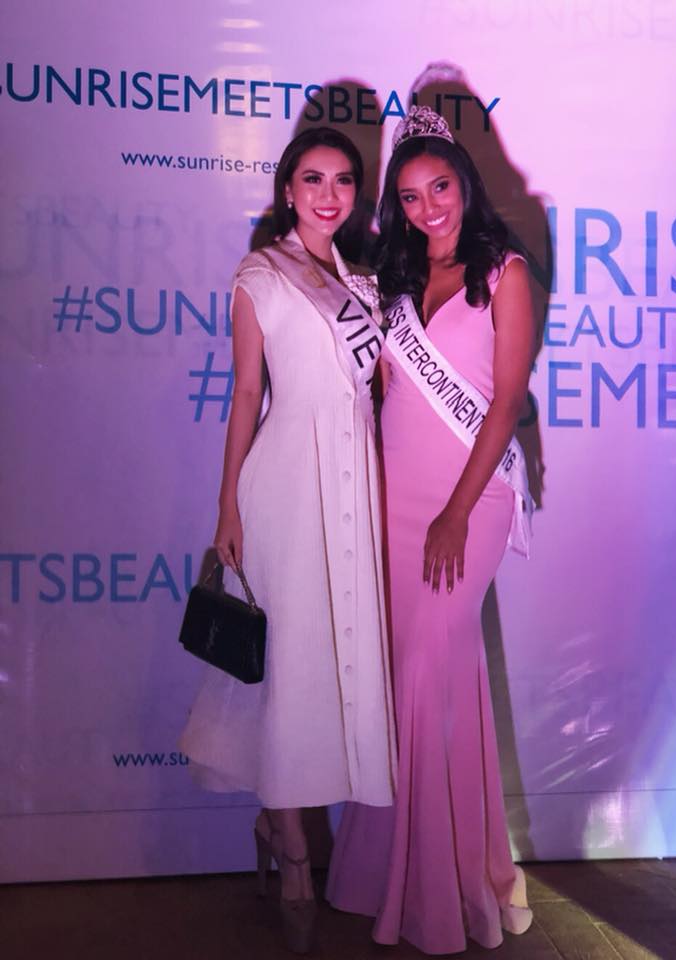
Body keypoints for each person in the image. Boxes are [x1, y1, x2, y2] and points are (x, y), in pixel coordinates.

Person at [179, 127, 396, 955]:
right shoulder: (261, 276)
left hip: (355, 486)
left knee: (331, 668)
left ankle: (282, 830)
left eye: (343, 180)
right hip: (283, 488)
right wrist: (227, 506)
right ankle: (294, 849)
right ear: (287, 189)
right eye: (313, 179)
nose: (328, 195)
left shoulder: (366, 285)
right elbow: (245, 395)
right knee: (289, 670)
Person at [327, 106, 536, 954]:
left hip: (469, 502)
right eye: (409, 197)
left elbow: (506, 401)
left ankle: (437, 890)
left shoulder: (505, 272)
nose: (427, 208)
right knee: (422, 683)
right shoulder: (397, 281)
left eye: (439, 188)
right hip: (395, 494)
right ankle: (421, 871)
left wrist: (454, 512)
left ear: (464, 185)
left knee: (422, 674)